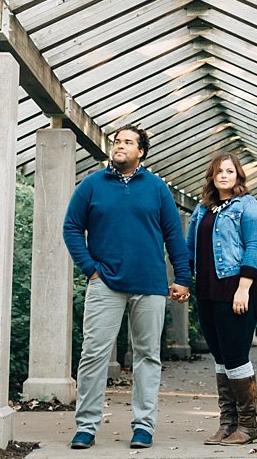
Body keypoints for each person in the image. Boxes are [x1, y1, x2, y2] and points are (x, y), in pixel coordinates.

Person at [62, 125, 190, 450]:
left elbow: (174, 235)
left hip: (149, 284)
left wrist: (182, 279)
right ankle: (86, 427)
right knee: (93, 354)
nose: (120, 146)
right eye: (117, 141)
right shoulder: (91, 185)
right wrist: (90, 270)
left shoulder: (157, 188)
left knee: (147, 355)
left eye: (128, 142)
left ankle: (144, 426)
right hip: (105, 283)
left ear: (141, 151)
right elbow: (72, 228)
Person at [186, 152, 257, 445]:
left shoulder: (248, 205)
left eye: (229, 171)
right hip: (208, 289)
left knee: (235, 357)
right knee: (220, 358)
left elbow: (255, 246)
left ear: (238, 176)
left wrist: (243, 289)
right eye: (218, 171)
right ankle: (227, 423)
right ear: (212, 176)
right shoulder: (202, 209)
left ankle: (248, 426)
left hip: (236, 287)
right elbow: (190, 247)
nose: (223, 175)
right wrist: (184, 281)